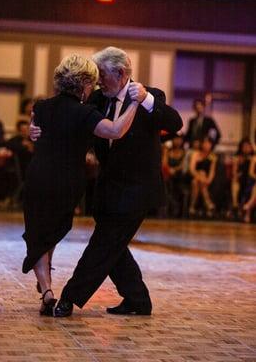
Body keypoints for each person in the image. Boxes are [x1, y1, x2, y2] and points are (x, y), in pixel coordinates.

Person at [49, 46, 183, 317]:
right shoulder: (98, 99)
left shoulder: (151, 96)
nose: (98, 80)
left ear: (121, 73)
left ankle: (70, 297)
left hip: (137, 191)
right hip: (107, 189)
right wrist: (41, 128)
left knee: (103, 244)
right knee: (114, 245)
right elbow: (74, 120)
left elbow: (176, 123)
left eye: (102, 75)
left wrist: (145, 99)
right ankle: (138, 300)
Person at [22, 53, 143, 316]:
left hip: (37, 177)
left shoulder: (41, 106)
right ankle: (47, 291)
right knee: (51, 232)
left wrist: (31, 131)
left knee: (38, 235)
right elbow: (115, 131)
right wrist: (135, 104)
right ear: (84, 83)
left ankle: (46, 290)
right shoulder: (85, 112)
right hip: (67, 182)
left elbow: (35, 129)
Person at [189, 136, 217, 218]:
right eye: (205, 142)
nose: (206, 145)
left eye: (209, 143)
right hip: (194, 177)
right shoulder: (196, 154)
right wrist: (200, 177)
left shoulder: (212, 157)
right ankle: (208, 204)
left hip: (205, 181)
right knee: (200, 175)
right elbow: (192, 169)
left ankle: (192, 207)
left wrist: (208, 180)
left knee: (197, 182)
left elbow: (212, 172)